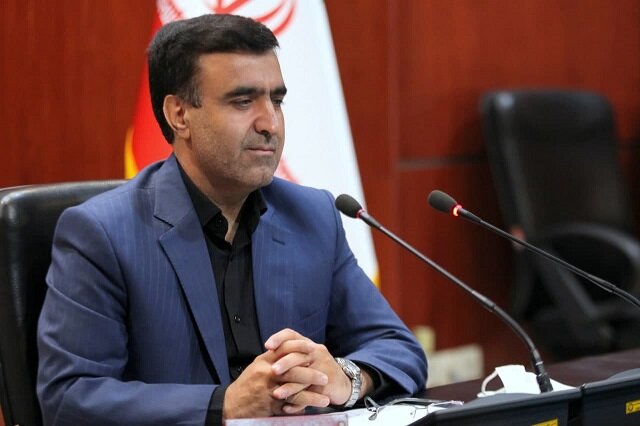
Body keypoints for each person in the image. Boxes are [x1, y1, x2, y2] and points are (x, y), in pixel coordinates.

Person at [37, 13, 427, 425]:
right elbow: (69, 397)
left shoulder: (311, 216)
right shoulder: (102, 233)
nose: (270, 123)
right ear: (179, 115)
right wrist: (222, 405)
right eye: (243, 102)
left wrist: (345, 377)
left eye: (276, 100)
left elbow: (398, 348)